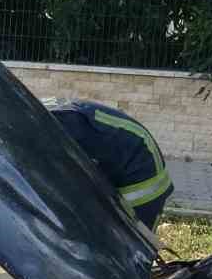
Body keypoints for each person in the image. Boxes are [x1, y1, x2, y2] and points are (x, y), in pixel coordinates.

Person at [43, 97, 174, 229]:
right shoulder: (36, 113)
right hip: (121, 152)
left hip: (141, 165)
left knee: (132, 238)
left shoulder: (59, 123)